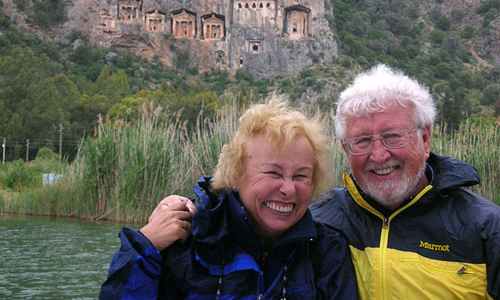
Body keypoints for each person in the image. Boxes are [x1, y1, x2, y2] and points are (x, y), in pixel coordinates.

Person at [99, 95, 358, 299]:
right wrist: (143, 247)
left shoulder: (326, 251)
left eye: (301, 176)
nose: (288, 189)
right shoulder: (190, 240)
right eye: (273, 172)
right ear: (235, 174)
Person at [310, 64, 500, 300]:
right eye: (362, 141)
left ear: (425, 138)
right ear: (346, 150)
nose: (379, 155)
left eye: (393, 136)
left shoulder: (488, 230)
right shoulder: (319, 222)